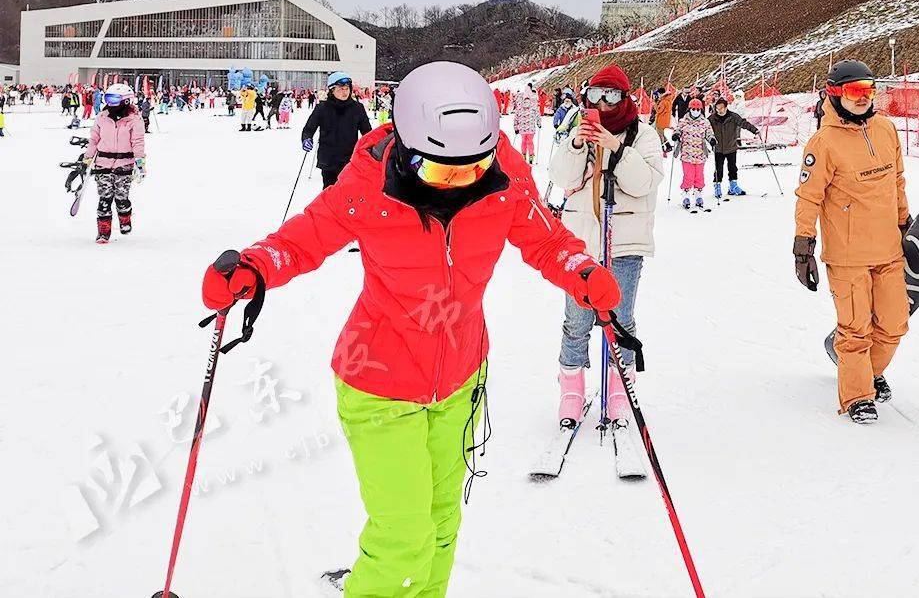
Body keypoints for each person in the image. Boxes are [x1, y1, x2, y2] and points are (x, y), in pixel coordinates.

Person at [200, 60, 620, 596]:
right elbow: (304, 238)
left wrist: (580, 269)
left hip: (461, 375)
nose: (462, 182)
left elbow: (546, 238)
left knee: (443, 526)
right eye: (444, 172)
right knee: (404, 536)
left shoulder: (505, 176)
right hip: (378, 379)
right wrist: (253, 269)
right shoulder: (369, 182)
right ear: (408, 148)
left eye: (475, 167)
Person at [793, 59, 910, 424]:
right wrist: (803, 246)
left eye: (869, 90)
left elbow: (897, 181)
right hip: (847, 255)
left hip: (888, 247)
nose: (863, 98)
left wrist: (905, 221)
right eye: (854, 91)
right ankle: (858, 394)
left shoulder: (887, 130)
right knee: (855, 327)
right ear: (835, 93)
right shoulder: (823, 142)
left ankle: (869, 372)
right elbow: (808, 196)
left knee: (894, 323)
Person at [548, 64, 663, 427]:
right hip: (582, 242)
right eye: (596, 95)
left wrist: (616, 148)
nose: (603, 103)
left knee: (621, 318)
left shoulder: (642, 136)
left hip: (625, 242)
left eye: (611, 95)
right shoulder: (578, 132)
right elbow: (560, 177)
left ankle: (619, 387)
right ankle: (571, 389)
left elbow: (644, 183)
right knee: (577, 319)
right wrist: (578, 143)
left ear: (625, 97)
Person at [83, 84, 146, 244]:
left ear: (126, 101)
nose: (110, 103)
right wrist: (87, 159)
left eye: (114, 99)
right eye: (108, 99)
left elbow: (138, 142)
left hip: (124, 164)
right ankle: (103, 232)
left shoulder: (134, 119)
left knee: (121, 197)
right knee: (105, 198)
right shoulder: (102, 117)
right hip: (103, 162)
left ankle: (125, 218)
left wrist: (140, 162)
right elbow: (94, 140)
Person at [301, 71, 372, 188]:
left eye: (346, 89)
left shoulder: (357, 108)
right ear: (332, 90)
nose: (344, 92)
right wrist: (306, 139)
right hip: (328, 159)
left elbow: (367, 133)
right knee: (330, 192)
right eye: (340, 89)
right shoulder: (322, 108)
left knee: (348, 193)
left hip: (350, 159)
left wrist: (370, 149)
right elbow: (309, 129)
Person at [708, 97, 760, 198]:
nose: (719, 110)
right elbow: (704, 128)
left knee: (732, 168)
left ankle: (733, 186)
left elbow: (744, 123)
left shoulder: (733, 117)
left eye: (721, 108)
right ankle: (717, 186)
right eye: (717, 108)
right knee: (719, 169)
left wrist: (755, 130)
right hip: (718, 148)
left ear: (726, 107)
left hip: (731, 147)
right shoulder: (712, 118)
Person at [669, 98, 715, 210]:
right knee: (688, 176)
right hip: (687, 154)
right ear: (689, 109)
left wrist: (712, 139)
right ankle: (686, 195)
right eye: (693, 109)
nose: (696, 111)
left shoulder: (705, 122)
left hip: (700, 154)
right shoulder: (683, 121)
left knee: (699, 176)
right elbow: (678, 130)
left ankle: (698, 195)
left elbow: (709, 133)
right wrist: (676, 135)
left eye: (698, 109)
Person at [513, 83, 539, 165]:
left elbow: (516, 118)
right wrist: (539, 123)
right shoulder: (533, 107)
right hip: (531, 129)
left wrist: (516, 128)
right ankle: (531, 155)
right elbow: (538, 115)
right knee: (530, 142)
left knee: (523, 142)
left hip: (522, 129)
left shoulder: (519, 108)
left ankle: (523, 155)